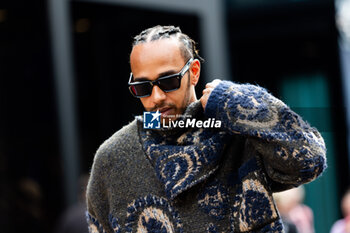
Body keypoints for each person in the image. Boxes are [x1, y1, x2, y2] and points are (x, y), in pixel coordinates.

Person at [86, 25, 327, 233]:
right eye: (142, 87)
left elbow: (310, 159)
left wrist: (237, 101)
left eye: (168, 81)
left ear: (193, 73)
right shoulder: (113, 158)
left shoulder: (236, 131)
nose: (156, 97)